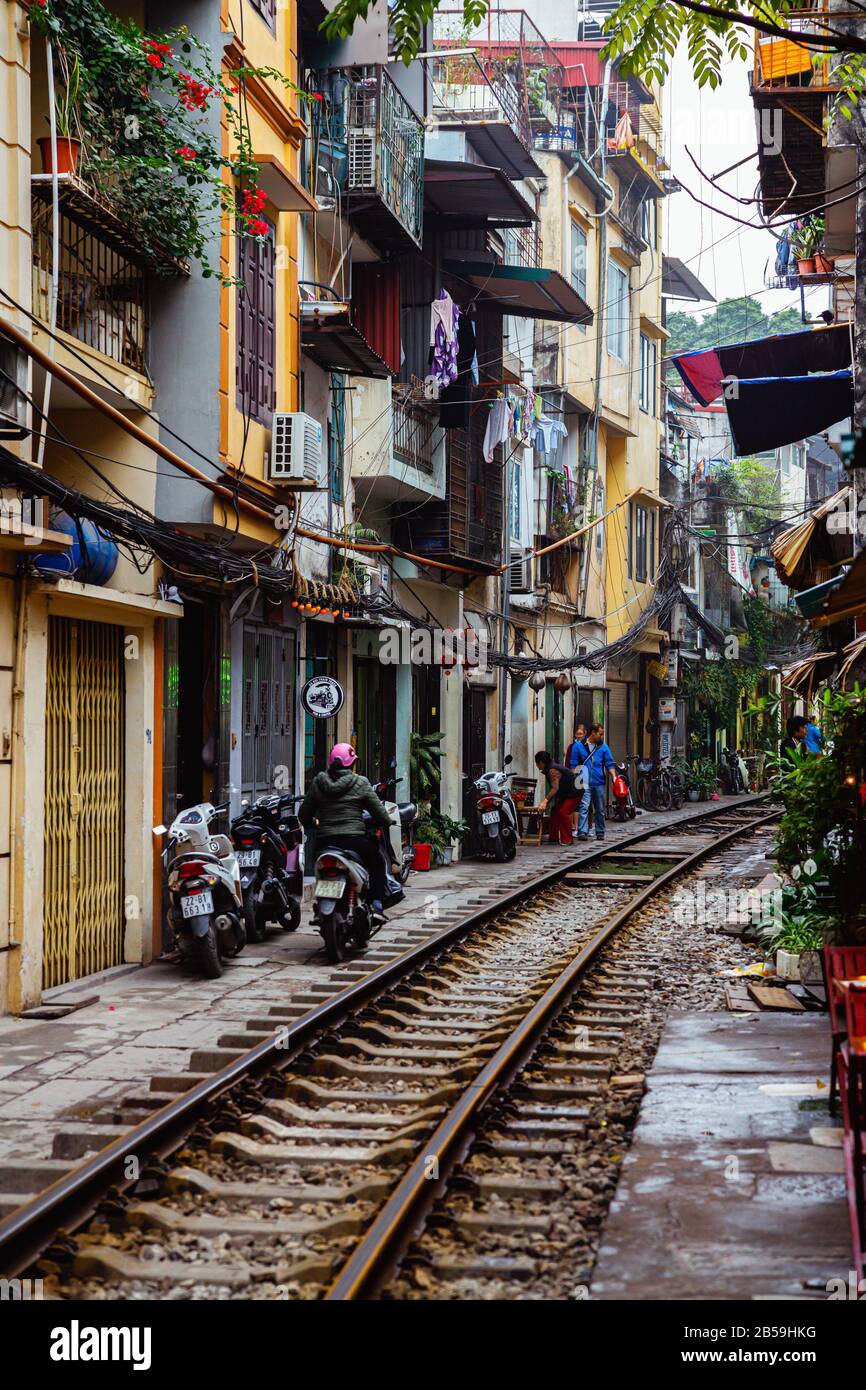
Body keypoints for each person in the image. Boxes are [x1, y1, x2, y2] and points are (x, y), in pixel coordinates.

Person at [299, 743, 393, 915]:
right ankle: (377, 904)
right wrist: (387, 821)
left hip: (324, 843)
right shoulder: (360, 782)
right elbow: (380, 815)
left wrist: (314, 823)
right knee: (378, 862)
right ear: (351, 763)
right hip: (354, 841)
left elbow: (304, 815)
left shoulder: (318, 783)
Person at [535, 751, 582, 846]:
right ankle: (553, 837)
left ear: (540, 762)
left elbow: (555, 788)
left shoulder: (552, 770)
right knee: (555, 810)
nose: (536, 765)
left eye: (536, 763)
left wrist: (545, 801)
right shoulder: (551, 768)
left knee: (563, 812)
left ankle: (568, 839)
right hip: (567, 792)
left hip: (575, 792)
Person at [578, 724, 615, 841]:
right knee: (584, 807)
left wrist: (614, 776)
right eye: (600, 733)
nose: (602, 736)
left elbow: (609, 763)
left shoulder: (603, 747)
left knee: (599, 809)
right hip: (583, 781)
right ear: (593, 733)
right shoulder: (579, 746)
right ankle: (582, 832)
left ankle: (600, 832)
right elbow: (573, 763)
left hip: (598, 782)